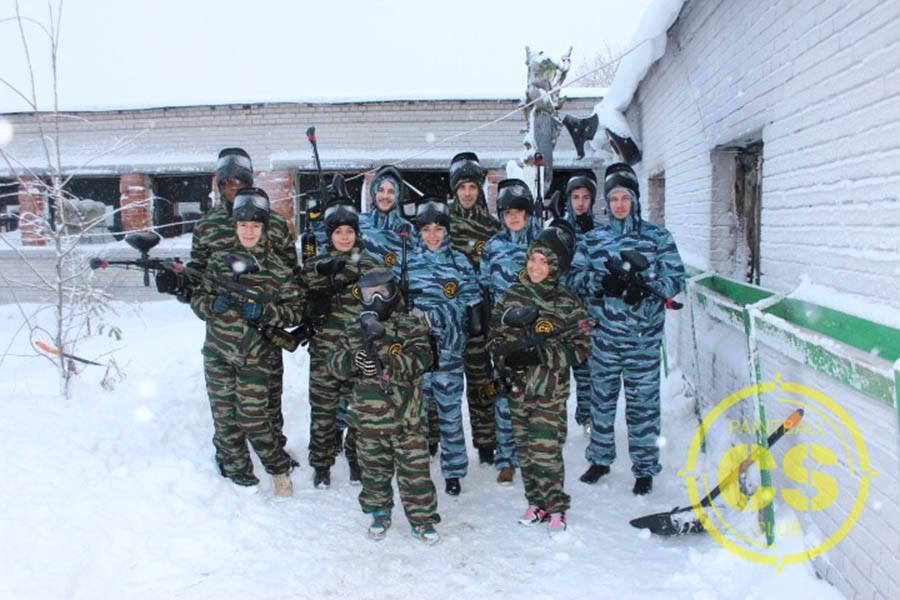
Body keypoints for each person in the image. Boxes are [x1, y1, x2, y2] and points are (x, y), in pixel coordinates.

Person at [180, 148, 300, 468]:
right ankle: (232, 463)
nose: (233, 188)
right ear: (219, 185)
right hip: (223, 333)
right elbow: (196, 277)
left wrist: (270, 310)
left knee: (266, 403)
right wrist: (188, 291)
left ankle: (274, 452)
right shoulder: (207, 226)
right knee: (225, 411)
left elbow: (290, 278)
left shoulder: (276, 225)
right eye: (227, 183)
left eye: (239, 182)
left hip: (263, 337)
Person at [570, 163, 685, 495]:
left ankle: (645, 468)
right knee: (601, 402)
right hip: (603, 338)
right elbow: (573, 278)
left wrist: (647, 288)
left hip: (642, 340)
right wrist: (601, 283)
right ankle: (600, 459)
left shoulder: (657, 237)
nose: (620, 204)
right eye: (614, 199)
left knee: (643, 406)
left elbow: (675, 277)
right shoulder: (593, 239)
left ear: (635, 199)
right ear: (607, 203)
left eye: (625, 198)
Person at [490, 223, 592, 533]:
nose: (535, 267)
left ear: (555, 266)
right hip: (519, 390)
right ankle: (535, 503)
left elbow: (581, 348)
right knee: (525, 450)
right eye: (532, 259)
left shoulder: (567, 301)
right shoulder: (513, 294)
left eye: (544, 261)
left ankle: (556, 508)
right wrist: (507, 356)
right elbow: (495, 335)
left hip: (550, 392)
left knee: (546, 451)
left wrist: (543, 354)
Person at [328, 268, 441, 544]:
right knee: (373, 471)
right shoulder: (354, 327)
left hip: (406, 418)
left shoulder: (410, 324)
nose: (377, 298)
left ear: (393, 293)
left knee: (415, 473)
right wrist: (354, 362)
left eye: (382, 292)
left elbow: (422, 358)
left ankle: (422, 520)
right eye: (370, 294)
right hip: (368, 419)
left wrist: (385, 364)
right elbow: (333, 363)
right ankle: (379, 513)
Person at [300, 176, 381, 489]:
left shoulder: (370, 264)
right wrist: (317, 295)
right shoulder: (316, 265)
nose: (344, 237)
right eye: (338, 232)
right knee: (323, 412)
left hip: (359, 352)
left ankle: (356, 460)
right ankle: (321, 464)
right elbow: (300, 301)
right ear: (329, 234)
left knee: (359, 410)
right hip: (325, 352)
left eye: (349, 231)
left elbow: (384, 305)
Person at [408, 196, 482, 496]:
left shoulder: (460, 263)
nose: (433, 236)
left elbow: (471, 305)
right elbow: (399, 306)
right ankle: (417, 467)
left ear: (447, 230)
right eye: (426, 229)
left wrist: (439, 315)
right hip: (418, 353)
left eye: (438, 229)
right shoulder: (407, 262)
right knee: (417, 415)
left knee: (450, 415)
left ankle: (453, 471)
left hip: (449, 352)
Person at [479, 178, 542, 485]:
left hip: (538, 332)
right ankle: (507, 459)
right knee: (505, 396)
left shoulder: (543, 243)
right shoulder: (493, 247)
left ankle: (536, 456)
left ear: (527, 213)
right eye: (507, 212)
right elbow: (484, 288)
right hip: (504, 335)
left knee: (538, 398)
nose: (513, 217)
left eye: (518, 211)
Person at [447, 152, 501, 465]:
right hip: (450, 321)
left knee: (483, 383)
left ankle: (486, 442)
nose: (467, 193)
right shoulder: (443, 224)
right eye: (462, 187)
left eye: (472, 187)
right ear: (454, 190)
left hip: (482, 318)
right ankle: (437, 442)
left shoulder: (492, 227)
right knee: (444, 384)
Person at [559, 172, 599, 437]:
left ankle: (587, 418)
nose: (581, 203)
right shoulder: (559, 230)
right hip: (562, 313)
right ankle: (556, 424)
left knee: (587, 372)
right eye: (576, 197)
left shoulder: (600, 233)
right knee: (559, 372)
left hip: (590, 313)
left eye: (585, 197)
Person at [359, 165, 415, 271]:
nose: (385, 196)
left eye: (391, 191)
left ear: (398, 195)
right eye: (381, 190)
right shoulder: (359, 224)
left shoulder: (407, 229)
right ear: (374, 192)